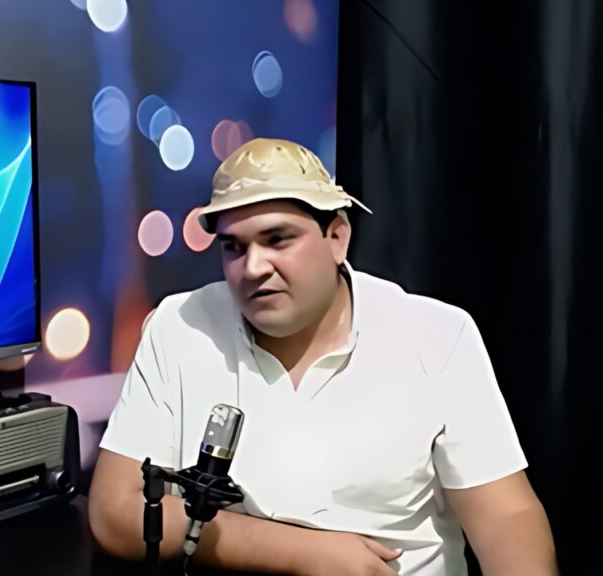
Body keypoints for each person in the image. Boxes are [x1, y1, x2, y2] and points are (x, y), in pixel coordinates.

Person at [88, 138, 558, 575]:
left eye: (277, 239)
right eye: (234, 247)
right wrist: (305, 553)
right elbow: (114, 511)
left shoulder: (435, 335)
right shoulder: (180, 326)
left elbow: (505, 516)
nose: (253, 267)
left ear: (337, 237)